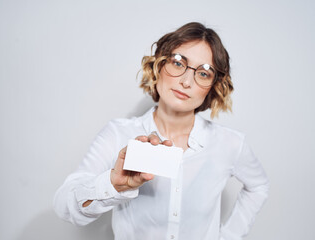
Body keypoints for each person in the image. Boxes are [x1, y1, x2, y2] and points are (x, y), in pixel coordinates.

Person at [53, 22, 269, 240]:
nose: (186, 81)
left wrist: (230, 236)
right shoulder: (118, 134)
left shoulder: (229, 143)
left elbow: (258, 186)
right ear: (158, 65)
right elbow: (64, 206)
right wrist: (112, 185)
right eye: (178, 63)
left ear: (214, 86)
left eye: (203, 73)